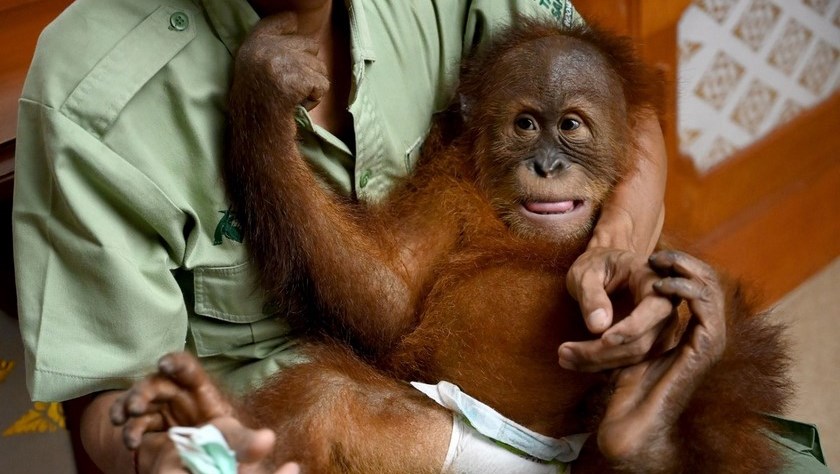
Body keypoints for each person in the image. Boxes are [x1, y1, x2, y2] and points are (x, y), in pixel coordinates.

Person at [13, 0, 826, 472]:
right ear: (477, 125)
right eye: (529, 135)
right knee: (322, 405)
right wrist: (188, 451)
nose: (548, 165)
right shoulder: (93, 89)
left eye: (570, 134)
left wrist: (618, 245)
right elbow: (113, 404)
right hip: (339, 421)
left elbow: (620, 103)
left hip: (584, 398)